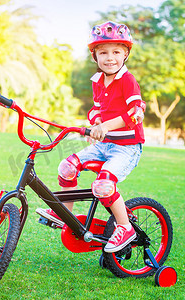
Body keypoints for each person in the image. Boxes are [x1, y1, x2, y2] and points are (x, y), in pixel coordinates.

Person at [36, 21, 145, 253]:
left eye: (116, 51)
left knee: (104, 185)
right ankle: (66, 211)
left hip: (126, 147)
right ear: (94, 56)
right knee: (67, 167)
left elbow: (135, 113)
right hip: (104, 144)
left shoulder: (127, 80)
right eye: (103, 52)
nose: (110, 57)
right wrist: (96, 124)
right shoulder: (97, 81)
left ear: (125, 54)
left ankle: (125, 227)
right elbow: (97, 110)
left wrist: (105, 126)